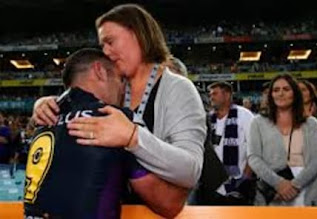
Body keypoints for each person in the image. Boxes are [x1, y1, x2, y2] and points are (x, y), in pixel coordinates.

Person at [31, 3, 206, 216]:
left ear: (138, 35)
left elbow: (191, 171)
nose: (105, 52)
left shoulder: (178, 88)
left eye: (110, 41)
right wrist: (44, 104)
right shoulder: (113, 90)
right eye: (102, 45)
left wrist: (133, 137)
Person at [248, 73, 317, 206]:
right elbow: (254, 158)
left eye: (286, 89)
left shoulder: (311, 123)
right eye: (276, 90)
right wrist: (279, 184)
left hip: (307, 187)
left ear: (295, 93)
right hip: (273, 189)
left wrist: (295, 185)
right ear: (271, 95)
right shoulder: (257, 122)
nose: (280, 93)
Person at [204, 81, 255, 205]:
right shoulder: (208, 118)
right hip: (210, 183)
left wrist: (246, 177)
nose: (211, 97)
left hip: (237, 182)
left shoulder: (245, 115)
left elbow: (254, 148)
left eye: (215, 94)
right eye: (210, 94)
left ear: (227, 95)